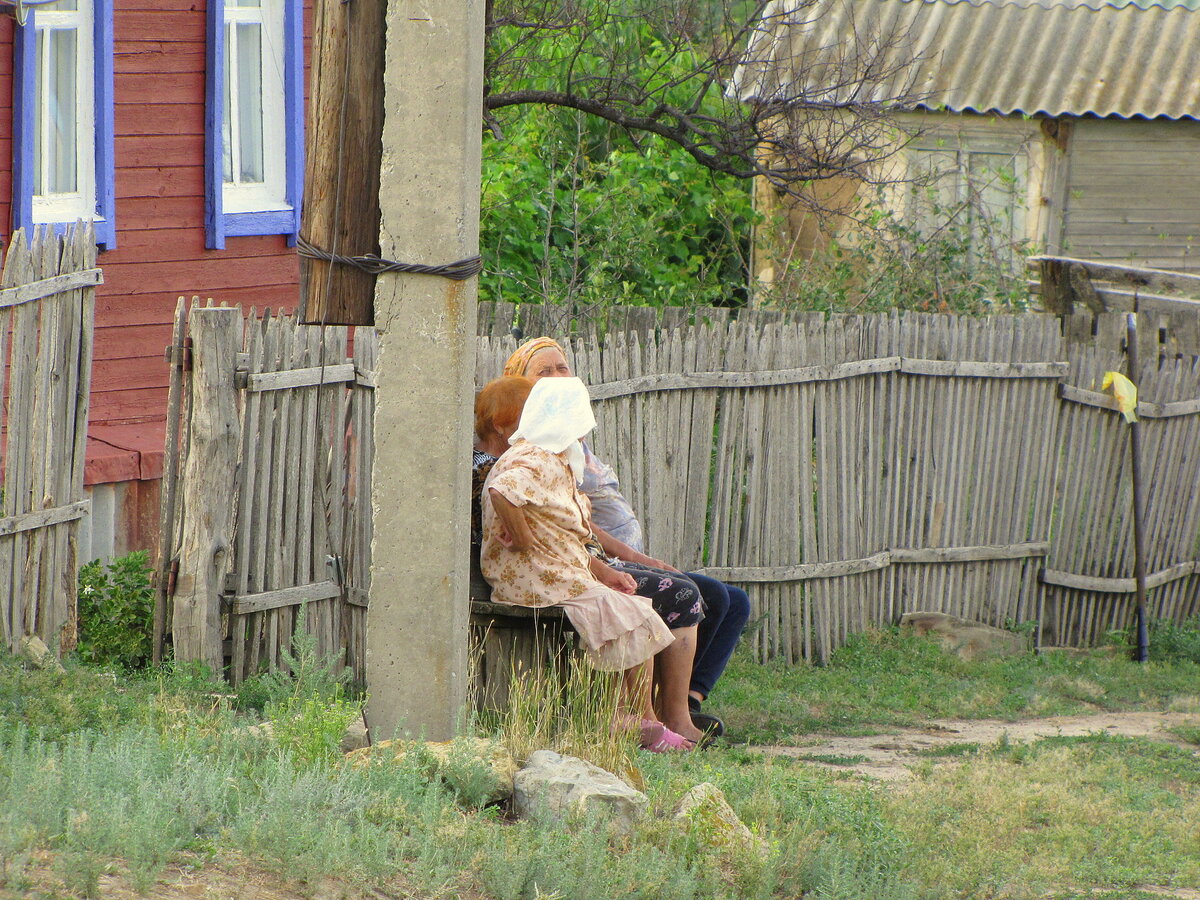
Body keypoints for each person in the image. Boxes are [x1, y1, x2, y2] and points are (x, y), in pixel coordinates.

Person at [503, 337, 751, 736]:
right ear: (520, 385)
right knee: (693, 595)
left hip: (609, 558)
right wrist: (603, 563)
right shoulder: (531, 445)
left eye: (561, 368)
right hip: (581, 566)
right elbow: (557, 520)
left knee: (732, 600)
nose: (556, 377)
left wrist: (639, 558)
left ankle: (683, 702)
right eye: (542, 371)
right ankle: (664, 716)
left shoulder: (569, 439)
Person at [479, 376, 704, 750]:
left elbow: (566, 533)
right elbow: (504, 490)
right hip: (530, 579)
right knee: (631, 615)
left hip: (558, 573)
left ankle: (639, 718)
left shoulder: (553, 457)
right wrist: (520, 537)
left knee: (638, 613)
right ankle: (632, 720)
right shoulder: (535, 457)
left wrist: (607, 571)